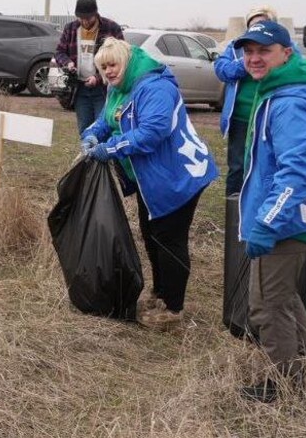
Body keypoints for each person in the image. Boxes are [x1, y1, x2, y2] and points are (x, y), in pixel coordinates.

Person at [232, 20, 306, 403]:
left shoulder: (289, 103)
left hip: (286, 221)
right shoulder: (280, 91)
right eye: (249, 52)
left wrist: (266, 222)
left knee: (266, 307)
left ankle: (287, 386)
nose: (254, 58)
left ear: (286, 53)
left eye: (264, 51)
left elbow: (294, 173)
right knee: (285, 296)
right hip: (292, 218)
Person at [81, 38, 217, 330]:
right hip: (150, 178)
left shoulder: (156, 87)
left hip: (177, 174)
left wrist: (112, 148)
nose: (109, 72)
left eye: (113, 65)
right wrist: (91, 134)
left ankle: (173, 309)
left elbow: (151, 133)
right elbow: (107, 120)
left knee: (169, 239)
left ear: (126, 61)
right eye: (103, 68)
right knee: (150, 233)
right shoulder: (118, 87)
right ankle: (160, 292)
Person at [215, 6, 282, 195]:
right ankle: (234, 214)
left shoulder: (282, 49)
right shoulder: (237, 47)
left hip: (270, 117)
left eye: (262, 25)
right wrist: (248, 61)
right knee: (237, 166)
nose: (256, 30)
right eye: (252, 25)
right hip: (241, 119)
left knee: (266, 165)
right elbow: (222, 70)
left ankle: (261, 207)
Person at [54, 0, 124, 133]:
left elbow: (121, 58)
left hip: (103, 88)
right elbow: (59, 52)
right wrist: (68, 63)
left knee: (103, 127)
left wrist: (97, 78)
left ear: (96, 14)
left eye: (88, 18)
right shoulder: (71, 29)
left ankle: (102, 153)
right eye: (81, 18)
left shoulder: (112, 28)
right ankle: (87, 153)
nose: (85, 21)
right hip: (79, 88)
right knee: (85, 129)